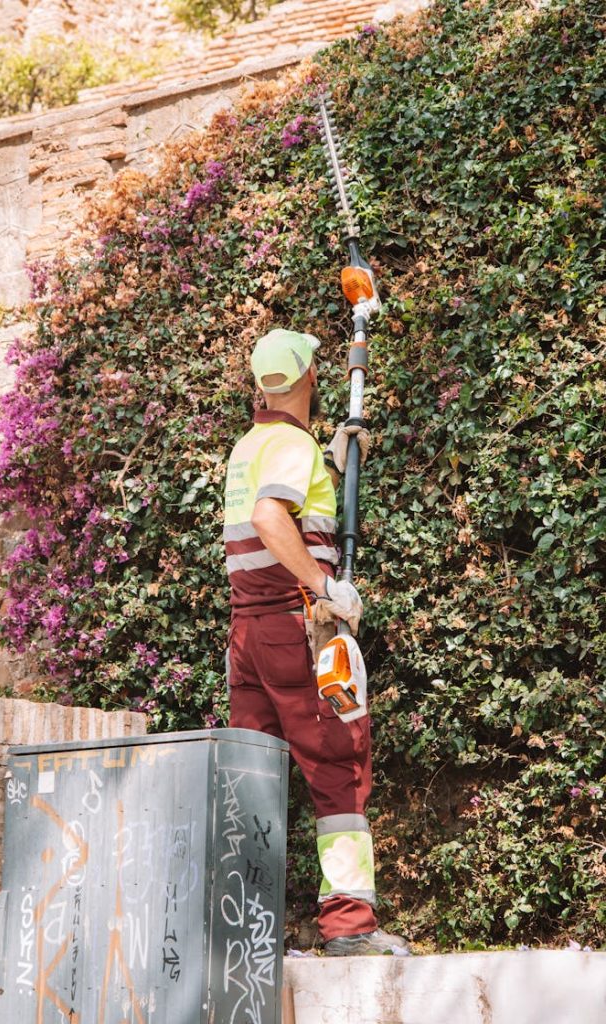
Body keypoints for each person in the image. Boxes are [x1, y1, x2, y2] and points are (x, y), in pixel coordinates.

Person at [223, 327, 409, 956]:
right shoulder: (289, 447)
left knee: (256, 778)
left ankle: (247, 932)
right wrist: (325, 588)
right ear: (308, 379)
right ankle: (350, 927)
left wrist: (328, 459)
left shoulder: (249, 446)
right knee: (338, 766)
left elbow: (272, 507)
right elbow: (274, 517)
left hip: (246, 635)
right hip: (294, 628)